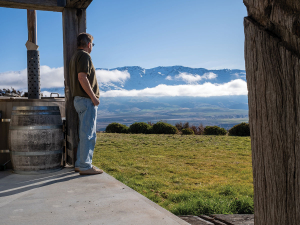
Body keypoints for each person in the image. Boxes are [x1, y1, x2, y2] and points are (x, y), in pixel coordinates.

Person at [69, 32, 103, 175]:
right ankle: (85, 166)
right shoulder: (85, 56)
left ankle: (80, 164)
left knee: (84, 133)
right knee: (88, 134)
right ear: (88, 44)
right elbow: (82, 78)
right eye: (92, 45)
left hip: (78, 99)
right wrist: (93, 97)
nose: (92, 47)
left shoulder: (75, 57)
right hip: (86, 100)